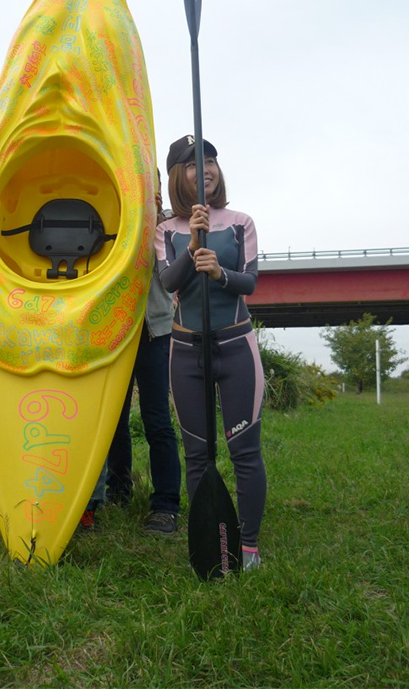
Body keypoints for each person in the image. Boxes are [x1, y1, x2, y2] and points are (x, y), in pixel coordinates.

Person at [155, 136, 266, 569]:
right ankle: (208, 543)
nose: (204, 169)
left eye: (211, 161)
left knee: (245, 452)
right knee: (197, 455)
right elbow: (169, 283)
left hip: (236, 346)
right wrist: (194, 236)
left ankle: (250, 547)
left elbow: (250, 283)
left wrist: (220, 272)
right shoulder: (165, 230)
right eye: (191, 164)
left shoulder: (240, 222)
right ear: (176, 176)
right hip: (186, 353)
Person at [105, 173, 181, 535]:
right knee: (112, 420)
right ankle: (117, 490)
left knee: (157, 419)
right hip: (113, 334)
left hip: (154, 331)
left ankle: (166, 504)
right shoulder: (110, 215)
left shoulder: (166, 223)